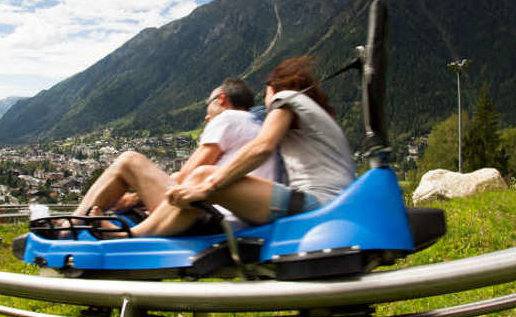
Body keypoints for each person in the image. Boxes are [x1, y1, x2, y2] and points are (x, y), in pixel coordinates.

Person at [124, 56, 356, 237]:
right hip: (337, 205)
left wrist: (207, 188)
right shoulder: (314, 113)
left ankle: (132, 237)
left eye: (265, 94)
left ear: (272, 88)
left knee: (203, 175)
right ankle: (140, 230)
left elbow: (262, 147)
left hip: (316, 205)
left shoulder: (284, 97)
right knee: (204, 177)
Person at [64, 77, 283, 227]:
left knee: (128, 161)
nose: (206, 117)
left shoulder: (227, 118)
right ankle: (76, 223)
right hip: (246, 217)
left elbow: (188, 175)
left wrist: (135, 199)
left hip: (211, 216)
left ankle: (69, 227)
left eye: (207, 107)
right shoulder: (257, 124)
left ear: (221, 99)